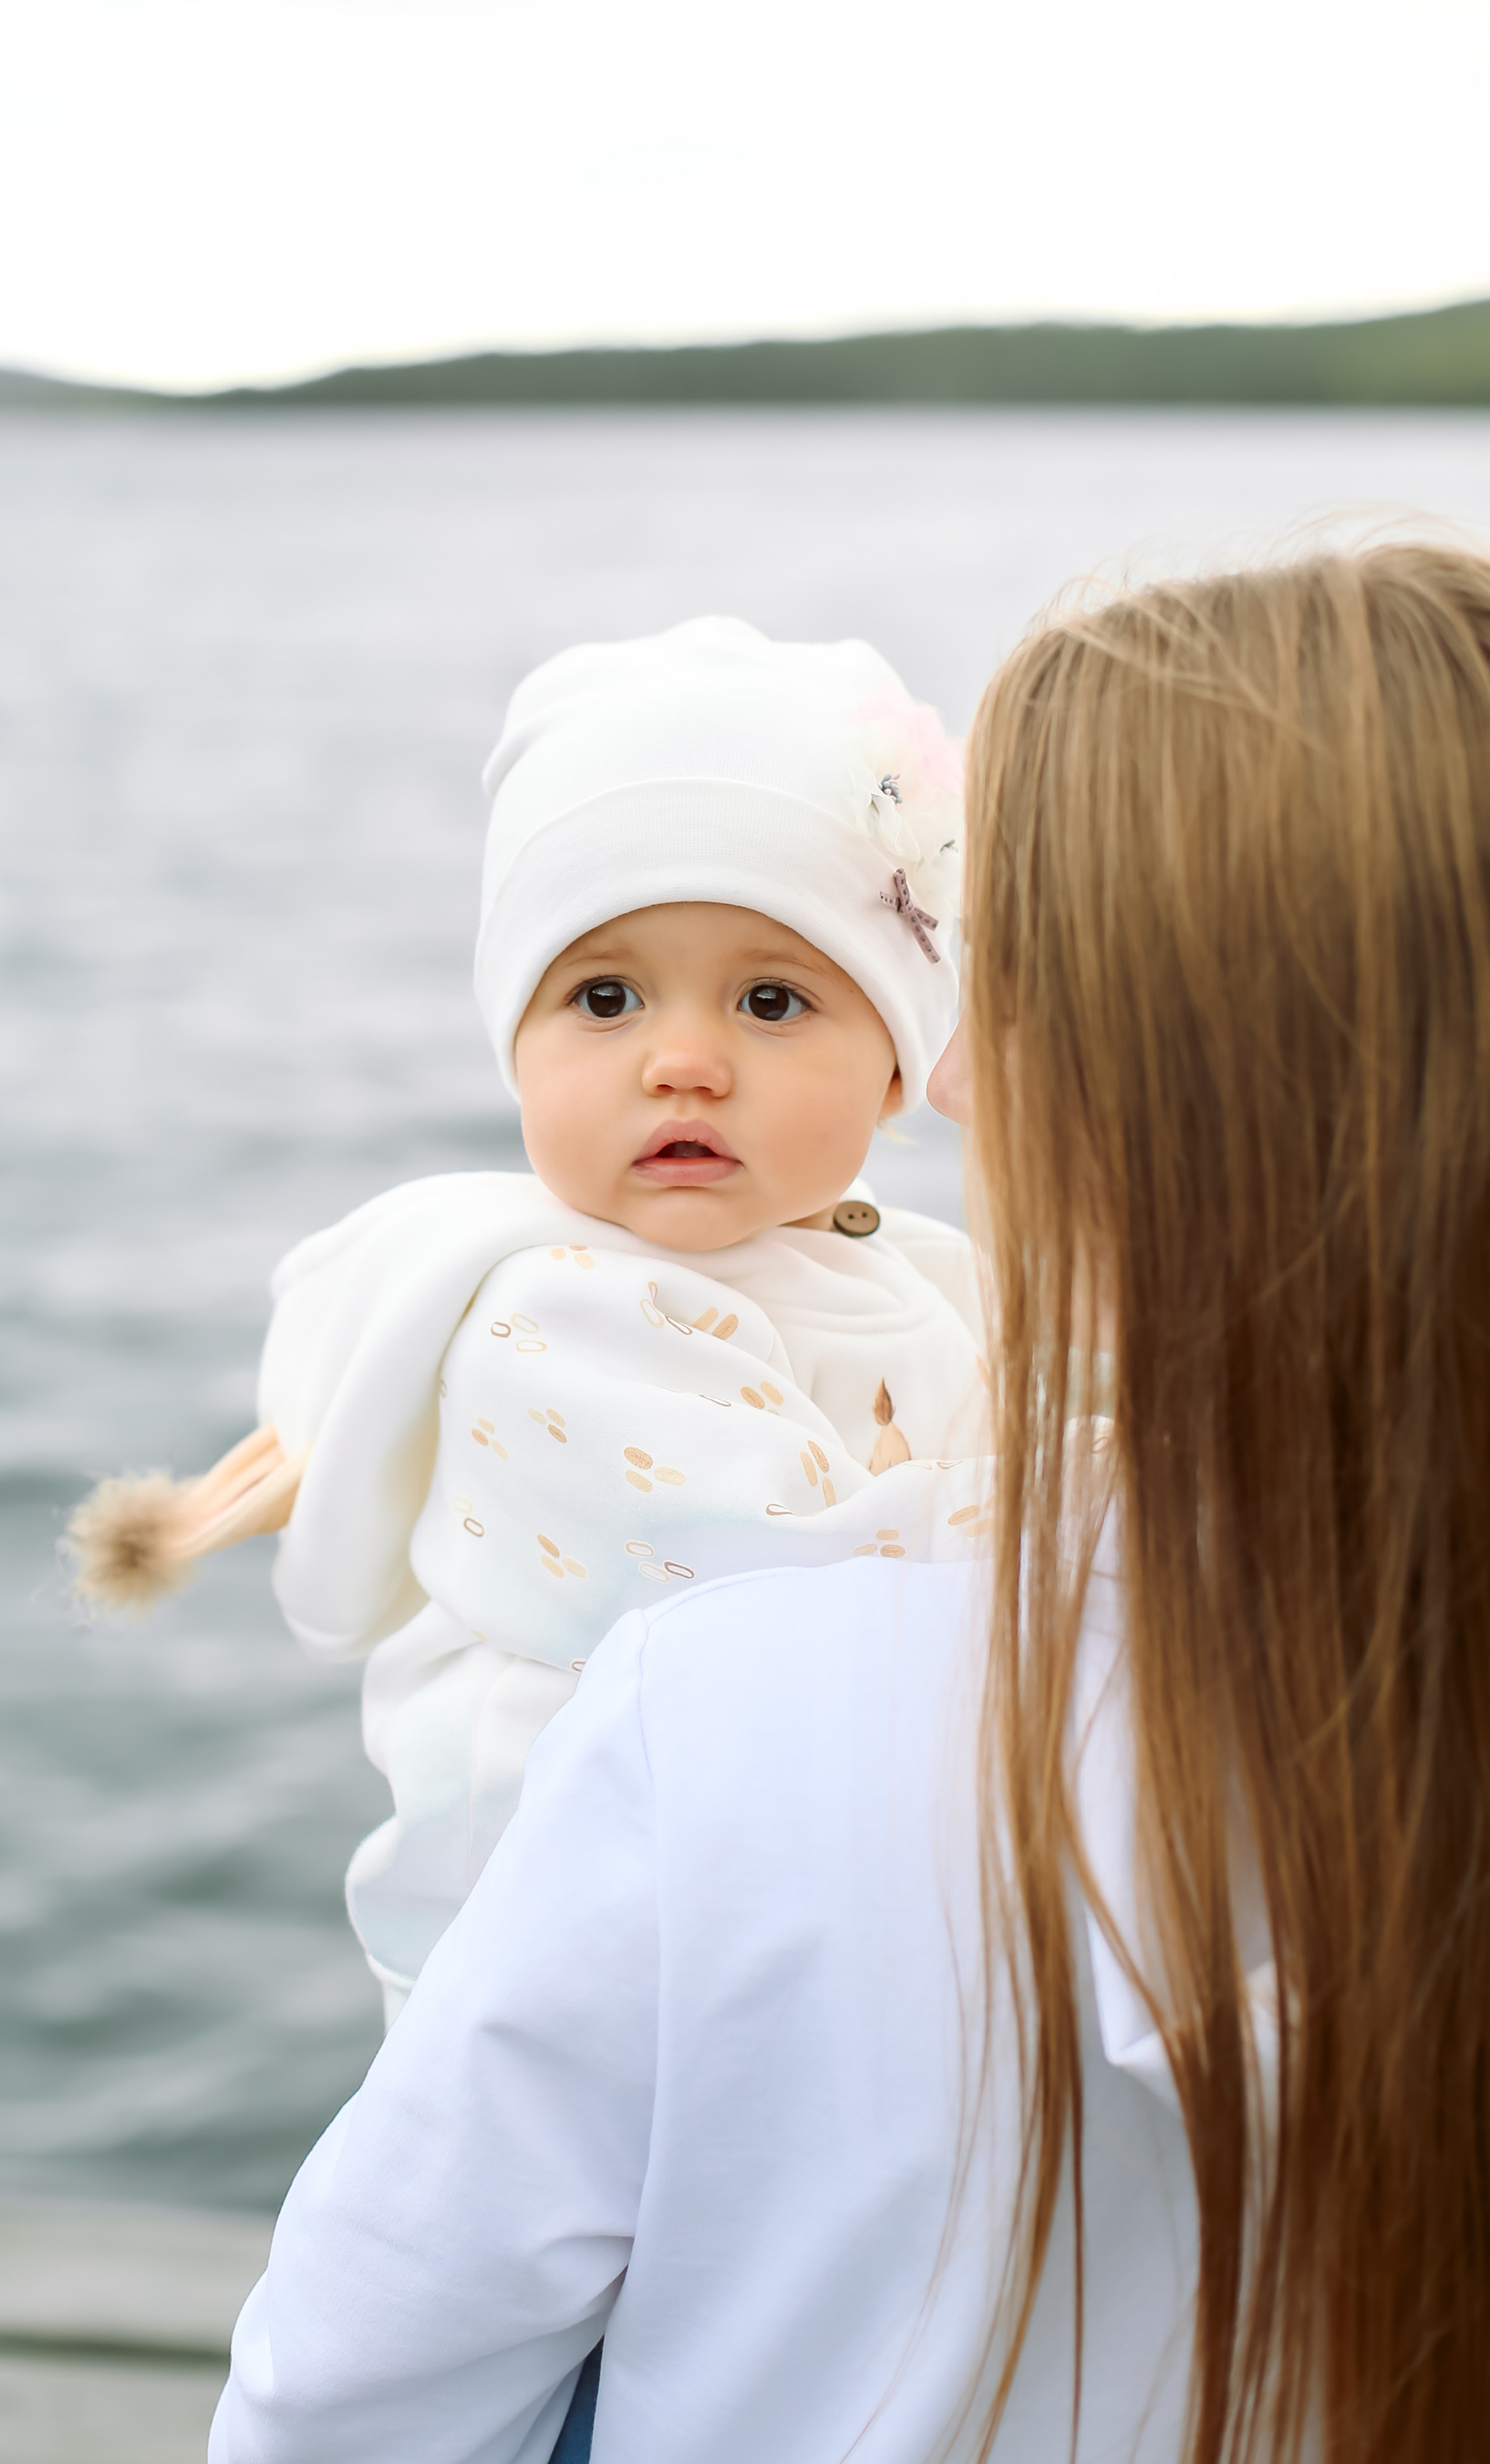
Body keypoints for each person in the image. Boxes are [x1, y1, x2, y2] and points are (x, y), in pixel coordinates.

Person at [208, 543, 1490, 2463]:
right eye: (609, 995)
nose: (960, 1094)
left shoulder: (743, 1711)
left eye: (993, 991)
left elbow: (348, 2407)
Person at [73, 618, 991, 2022]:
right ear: (516, 1049)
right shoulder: (554, 1323)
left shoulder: (921, 1276)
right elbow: (789, 1590)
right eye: (604, 997)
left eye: (769, 999)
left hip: (766, 1929)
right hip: (555, 1985)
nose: (682, 1062)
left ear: (892, 1070)